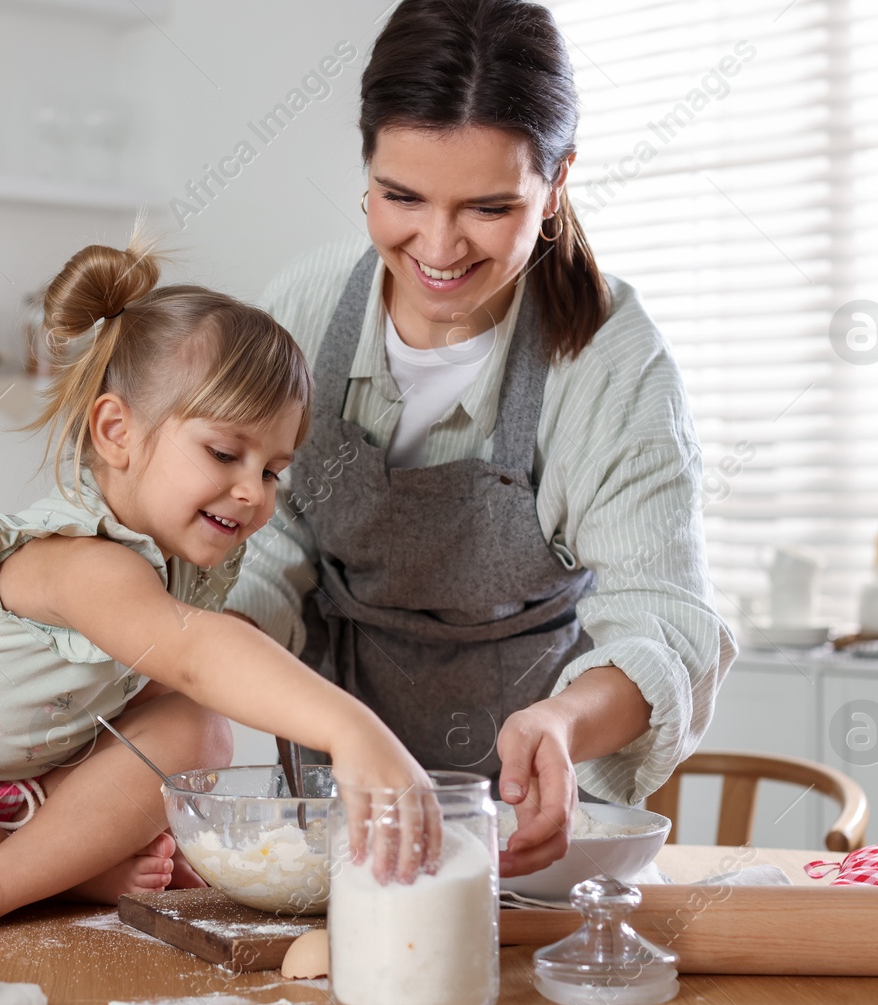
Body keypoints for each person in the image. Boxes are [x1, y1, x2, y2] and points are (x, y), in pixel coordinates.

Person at [0, 236, 435, 933]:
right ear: (116, 431)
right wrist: (353, 729)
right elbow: (195, 653)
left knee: (197, 729)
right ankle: (18, 878)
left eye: (272, 470)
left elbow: (196, 671)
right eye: (225, 452)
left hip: (34, 786)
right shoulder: (81, 556)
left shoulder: (181, 563)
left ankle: (28, 865)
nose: (252, 492)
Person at [224, 0, 737, 879]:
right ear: (368, 168)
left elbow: (668, 617)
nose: (437, 245)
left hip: (533, 816)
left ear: (557, 179)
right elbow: (265, 547)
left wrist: (565, 723)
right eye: (401, 196)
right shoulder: (307, 311)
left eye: (489, 207)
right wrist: (206, 652)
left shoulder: (609, 356)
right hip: (332, 802)